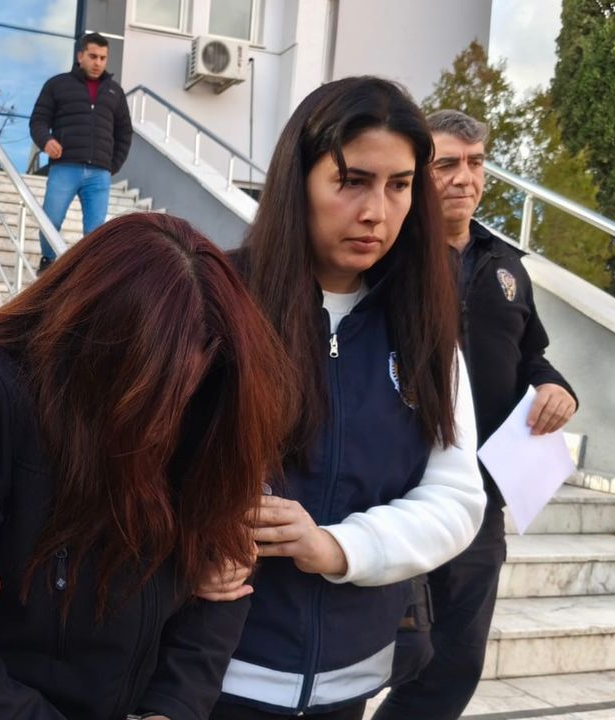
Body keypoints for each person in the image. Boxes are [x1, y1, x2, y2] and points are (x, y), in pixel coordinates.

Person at [0, 212, 295, 719]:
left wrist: (171, 709)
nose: (163, 425)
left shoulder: (210, 409)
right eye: (148, 397)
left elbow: (226, 580)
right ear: (90, 345)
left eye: (185, 394)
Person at [211, 77, 487, 719]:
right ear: (299, 181)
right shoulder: (214, 299)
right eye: (352, 181)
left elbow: (456, 495)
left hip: (351, 679)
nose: (376, 212)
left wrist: (338, 547)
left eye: (399, 185)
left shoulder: (424, 327)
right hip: (208, 675)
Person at [373, 109, 578, 720]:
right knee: (379, 655)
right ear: (418, 172)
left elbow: (529, 354)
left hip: (481, 496)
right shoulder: (387, 256)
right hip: (397, 488)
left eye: (477, 162)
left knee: (456, 661)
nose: (465, 177)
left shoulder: (507, 264)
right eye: (447, 165)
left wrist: (554, 386)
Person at [29, 32, 133, 271]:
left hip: (99, 174)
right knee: (51, 220)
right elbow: (38, 120)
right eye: (93, 56)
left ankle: (87, 274)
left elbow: (125, 132)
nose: (98, 63)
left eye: (103, 58)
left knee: (96, 232)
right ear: (80, 56)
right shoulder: (57, 85)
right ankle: (48, 261)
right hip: (65, 167)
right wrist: (46, 141)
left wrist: (113, 165)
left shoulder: (115, 92)